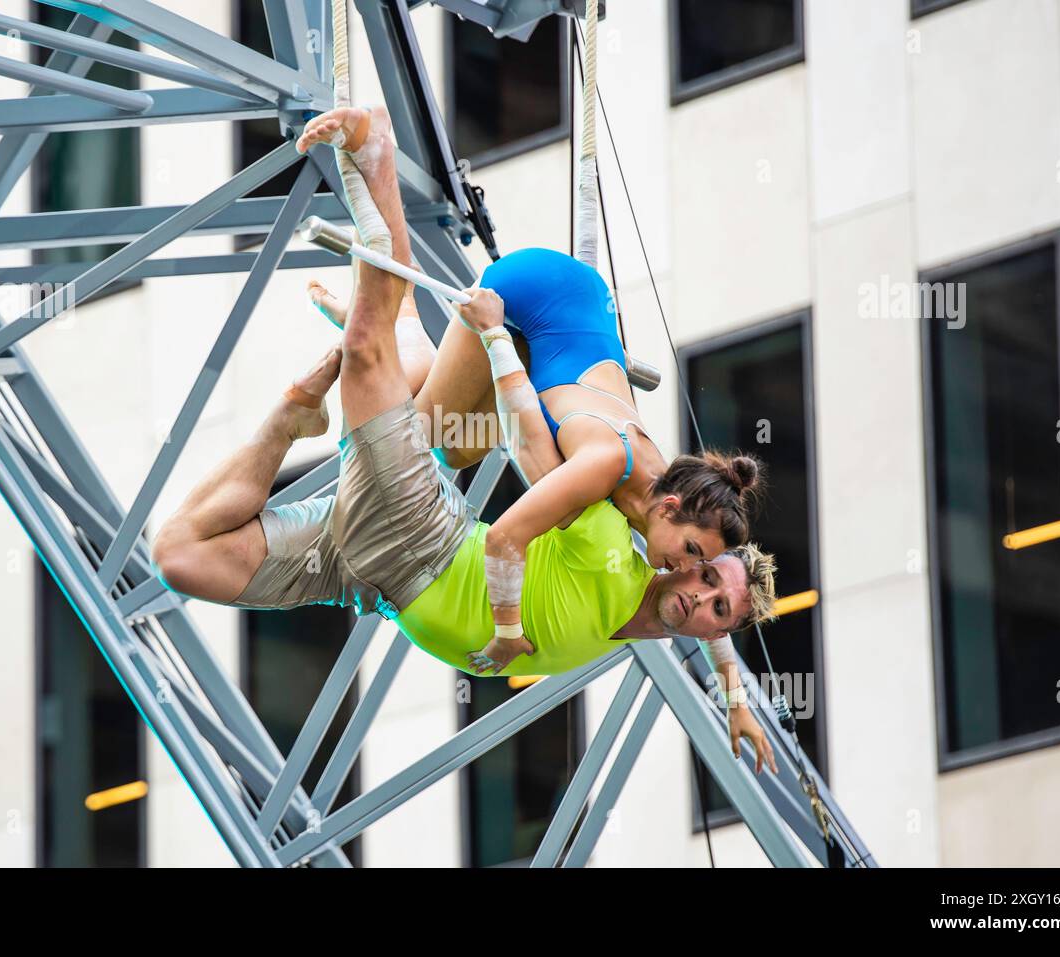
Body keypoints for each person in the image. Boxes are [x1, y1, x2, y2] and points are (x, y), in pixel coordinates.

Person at [150, 248, 781, 773]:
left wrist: (737, 702)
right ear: (675, 515)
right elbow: (525, 447)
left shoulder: (672, 549)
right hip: (524, 333)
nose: (693, 584)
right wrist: (494, 337)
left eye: (713, 602)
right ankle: (373, 193)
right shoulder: (611, 502)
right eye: (697, 564)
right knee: (424, 424)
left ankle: (357, 378)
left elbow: (716, 606)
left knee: (182, 556)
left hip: (379, 580)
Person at [295, 104, 766, 671]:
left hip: (576, 316)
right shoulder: (605, 467)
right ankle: (375, 149)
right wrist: (507, 633)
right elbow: (506, 532)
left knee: (457, 442)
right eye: (691, 554)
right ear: (670, 508)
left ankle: (396, 331)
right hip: (532, 295)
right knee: (409, 439)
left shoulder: (669, 505)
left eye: (698, 566)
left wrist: (732, 687)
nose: (683, 571)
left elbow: (710, 597)